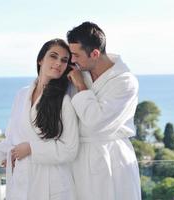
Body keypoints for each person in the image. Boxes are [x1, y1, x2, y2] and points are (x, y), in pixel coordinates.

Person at [0, 39, 79, 200]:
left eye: (64, 60)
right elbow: (11, 140)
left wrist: (32, 148)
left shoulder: (64, 101)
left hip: (51, 185)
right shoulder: (22, 95)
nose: (58, 63)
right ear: (40, 60)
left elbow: (70, 149)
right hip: (21, 181)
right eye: (53, 56)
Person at [66, 21, 141, 200]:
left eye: (76, 55)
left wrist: (80, 86)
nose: (72, 60)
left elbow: (95, 122)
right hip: (77, 158)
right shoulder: (78, 71)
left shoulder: (125, 82)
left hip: (112, 159)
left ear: (95, 53)